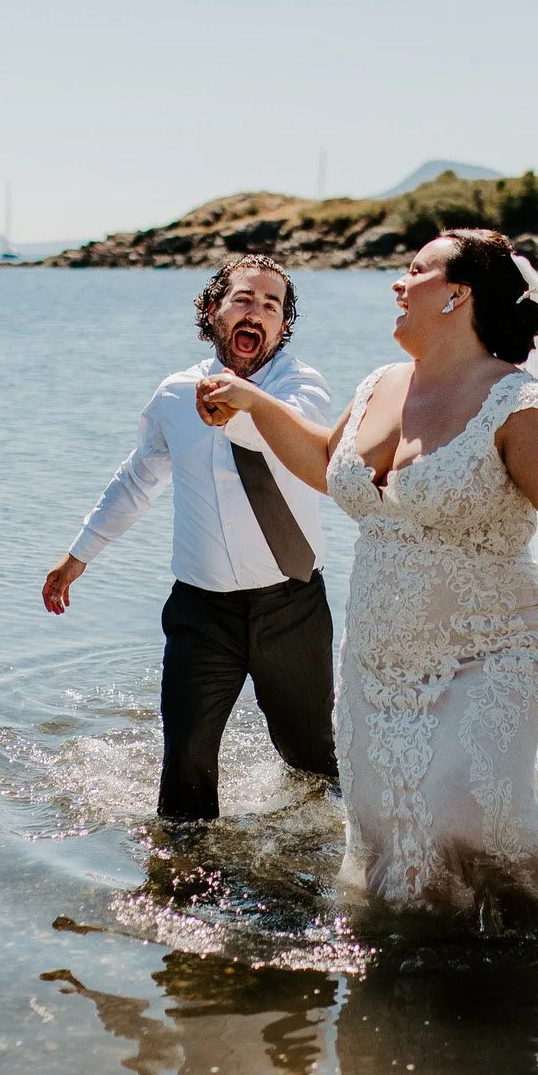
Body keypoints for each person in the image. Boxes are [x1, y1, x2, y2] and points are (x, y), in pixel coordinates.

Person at [197, 229, 538, 917]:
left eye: (415, 272)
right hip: (378, 661)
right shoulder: (380, 384)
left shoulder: (518, 405)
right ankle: (417, 969)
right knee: (390, 830)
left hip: (492, 651)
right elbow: (326, 464)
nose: (397, 284)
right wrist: (256, 405)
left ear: (456, 295)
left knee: (472, 811)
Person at [43, 256, 339, 820]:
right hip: (201, 613)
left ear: (282, 328)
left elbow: (286, 445)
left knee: (310, 758)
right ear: (213, 311)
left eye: (272, 307)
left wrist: (242, 402)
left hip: (291, 609)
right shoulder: (175, 395)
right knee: (185, 762)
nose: (258, 313)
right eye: (244, 300)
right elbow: (136, 479)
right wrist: (78, 555)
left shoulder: (299, 388)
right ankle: (179, 879)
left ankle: (325, 860)